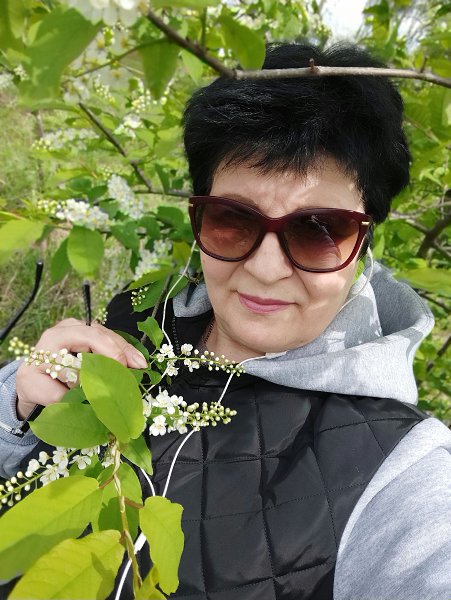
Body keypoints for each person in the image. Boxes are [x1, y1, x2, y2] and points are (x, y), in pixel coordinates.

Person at [1, 42, 450, 600]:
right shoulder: (137, 317)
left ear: (363, 243)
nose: (265, 269)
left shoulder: (401, 474)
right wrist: (16, 414)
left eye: (318, 230)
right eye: (232, 220)